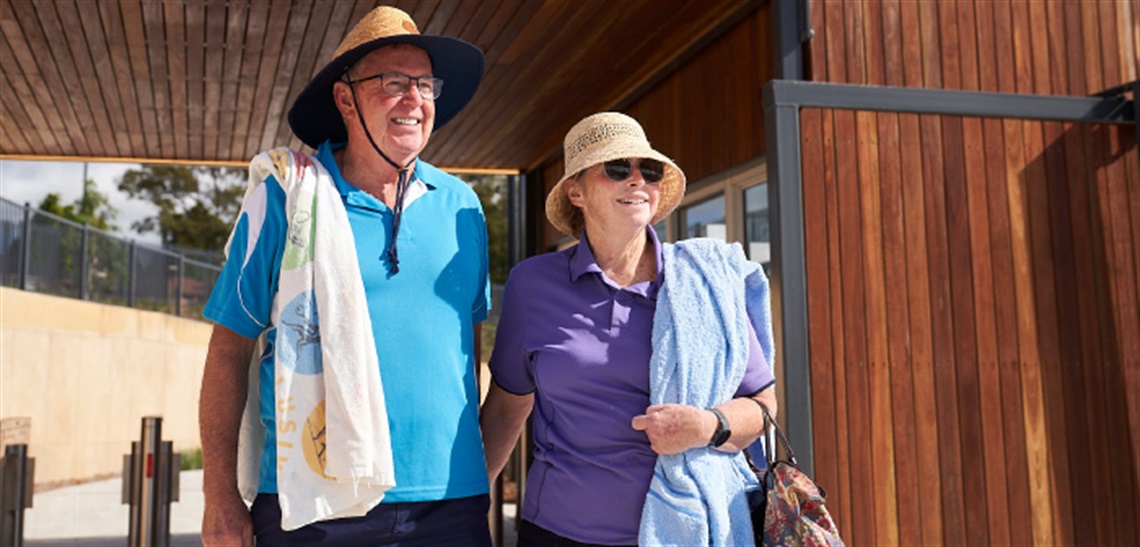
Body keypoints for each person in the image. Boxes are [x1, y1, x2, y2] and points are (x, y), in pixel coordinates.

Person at [199, 6, 492, 546]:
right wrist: (219, 495)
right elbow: (228, 350)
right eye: (394, 82)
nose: (415, 100)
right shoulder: (287, 198)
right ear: (345, 98)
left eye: (426, 85)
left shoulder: (463, 207)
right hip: (314, 501)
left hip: (451, 504)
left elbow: (466, 351)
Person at [481, 112, 779, 546]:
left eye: (649, 170)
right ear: (576, 191)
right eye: (618, 168)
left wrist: (706, 425)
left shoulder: (705, 283)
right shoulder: (532, 285)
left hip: (690, 533)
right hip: (558, 532)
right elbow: (507, 407)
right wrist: (470, 506)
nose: (637, 180)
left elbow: (763, 407)